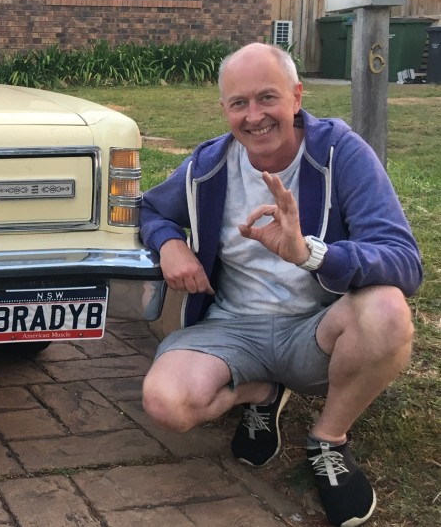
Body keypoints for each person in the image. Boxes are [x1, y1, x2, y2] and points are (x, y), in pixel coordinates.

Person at [140, 43, 421, 527]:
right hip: (231, 328)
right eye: (239, 103)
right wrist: (169, 243)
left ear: (296, 96)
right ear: (224, 109)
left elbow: (403, 260)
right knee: (166, 403)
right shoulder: (209, 163)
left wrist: (310, 254)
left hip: (318, 332)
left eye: (267, 97)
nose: (254, 116)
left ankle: (328, 439)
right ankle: (261, 393)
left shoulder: (340, 152)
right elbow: (147, 208)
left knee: (387, 311)